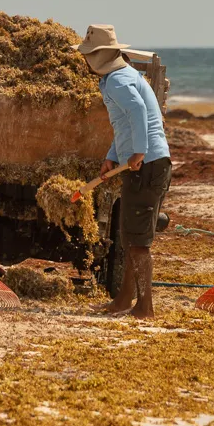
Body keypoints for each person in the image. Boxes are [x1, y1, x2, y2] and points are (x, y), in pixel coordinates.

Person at [74, 24, 171, 320]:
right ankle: (123, 300)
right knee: (131, 237)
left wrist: (139, 151)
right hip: (144, 163)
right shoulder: (117, 77)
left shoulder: (117, 80)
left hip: (148, 164)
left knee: (138, 241)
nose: (86, 60)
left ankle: (145, 308)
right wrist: (112, 156)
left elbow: (139, 113)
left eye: (89, 55)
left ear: (99, 56)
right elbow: (124, 125)